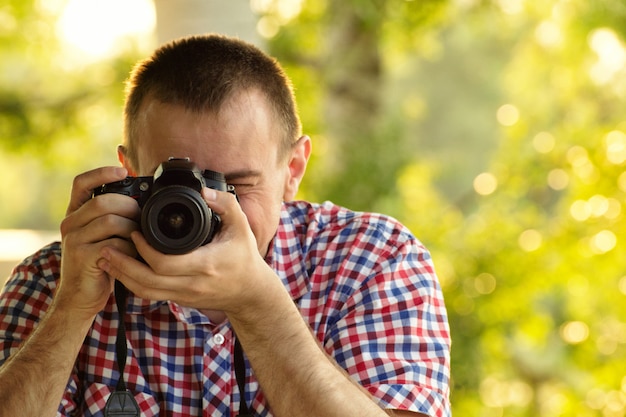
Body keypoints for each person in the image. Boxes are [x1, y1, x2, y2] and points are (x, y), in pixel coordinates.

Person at [0, 34, 451, 417]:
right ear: (129, 171)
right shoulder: (60, 276)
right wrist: (71, 311)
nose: (206, 210)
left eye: (234, 184)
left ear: (292, 169)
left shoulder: (371, 260)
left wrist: (259, 305)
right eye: (175, 184)